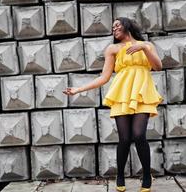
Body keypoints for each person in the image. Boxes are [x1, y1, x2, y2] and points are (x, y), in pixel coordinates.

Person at [63, 17, 163, 192]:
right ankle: (120, 175)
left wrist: (144, 47)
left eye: (117, 25)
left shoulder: (146, 45)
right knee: (124, 139)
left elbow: (158, 67)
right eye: (113, 27)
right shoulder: (113, 49)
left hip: (142, 94)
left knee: (139, 135)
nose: (114, 29)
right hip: (121, 94)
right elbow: (104, 77)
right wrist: (78, 89)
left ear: (127, 26)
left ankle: (146, 175)